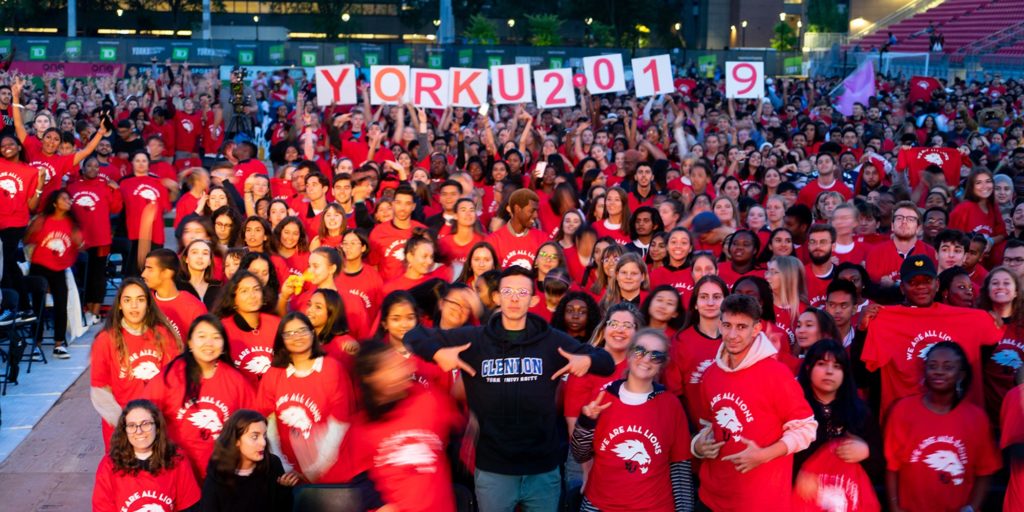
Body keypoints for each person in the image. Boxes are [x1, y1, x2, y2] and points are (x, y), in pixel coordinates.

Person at [405, 266, 615, 512]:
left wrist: (587, 360)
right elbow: (413, 336)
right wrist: (438, 352)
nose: (514, 298)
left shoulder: (552, 340)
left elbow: (607, 362)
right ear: (497, 297)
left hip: (543, 470)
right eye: (508, 291)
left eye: (522, 292)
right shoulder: (475, 338)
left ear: (533, 299)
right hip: (494, 469)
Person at [690, 294, 817, 510]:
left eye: (741, 327)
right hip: (711, 497)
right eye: (727, 325)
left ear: (756, 329)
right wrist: (698, 447)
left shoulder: (776, 374)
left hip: (760, 499)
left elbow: (806, 428)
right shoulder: (711, 374)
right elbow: (708, 426)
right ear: (720, 324)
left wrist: (763, 455)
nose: (732, 334)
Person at [571, 328, 693, 512]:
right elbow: (580, 455)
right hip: (601, 505)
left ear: (663, 363)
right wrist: (586, 423)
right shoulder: (603, 398)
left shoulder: (671, 405)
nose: (645, 359)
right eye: (639, 350)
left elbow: (680, 467)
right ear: (629, 354)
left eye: (656, 355)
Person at [348, 339, 463, 512]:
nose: (404, 369)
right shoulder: (361, 426)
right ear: (371, 378)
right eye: (392, 367)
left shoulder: (430, 400)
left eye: (400, 363)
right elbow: (361, 477)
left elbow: (460, 441)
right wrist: (380, 505)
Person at [884, 341, 1000, 512]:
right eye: (932, 366)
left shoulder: (977, 417)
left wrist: (972, 508)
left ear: (961, 374)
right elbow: (892, 466)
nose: (939, 371)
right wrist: (894, 506)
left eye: (948, 367)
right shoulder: (902, 410)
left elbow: (985, 470)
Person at [143, 315, 255, 479]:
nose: (209, 343)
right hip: (178, 471)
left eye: (216, 337)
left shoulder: (235, 380)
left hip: (223, 473)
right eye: (201, 336)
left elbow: (253, 423)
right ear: (189, 342)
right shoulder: (170, 376)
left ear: (224, 345)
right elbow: (144, 414)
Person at [255, 312, 353, 483]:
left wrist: (311, 473)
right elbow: (268, 426)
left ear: (313, 333)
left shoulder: (331, 369)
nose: (297, 337)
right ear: (281, 339)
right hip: (287, 476)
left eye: (302, 330)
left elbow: (339, 426)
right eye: (289, 333)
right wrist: (284, 469)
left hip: (331, 475)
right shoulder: (273, 374)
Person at [792, 339, 882, 511]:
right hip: (801, 500)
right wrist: (797, 474)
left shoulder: (860, 412)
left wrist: (866, 451)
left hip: (847, 500)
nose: (829, 371)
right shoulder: (793, 409)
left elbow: (880, 464)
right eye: (822, 364)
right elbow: (778, 453)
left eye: (837, 366)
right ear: (809, 368)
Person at [91, 278, 182, 446]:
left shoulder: (163, 336)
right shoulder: (106, 340)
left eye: (140, 300)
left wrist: (159, 422)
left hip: (159, 424)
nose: (134, 306)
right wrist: (127, 424)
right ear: (119, 305)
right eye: (127, 300)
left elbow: (176, 383)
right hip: (121, 425)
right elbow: (100, 391)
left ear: (148, 304)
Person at [92, 399, 200, 512]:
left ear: (157, 427)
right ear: (125, 430)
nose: (139, 431)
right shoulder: (109, 465)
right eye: (132, 425)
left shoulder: (177, 460)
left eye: (146, 424)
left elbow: (189, 508)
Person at [201, 409, 298, 511]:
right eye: (255, 436)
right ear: (236, 440)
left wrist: (283, 490)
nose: (263, 443)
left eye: (264, 436)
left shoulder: (272, 464)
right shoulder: (218, 473)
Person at [664, 275, 727, 428]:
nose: (710, 303)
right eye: (704, 297)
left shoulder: (736, 339)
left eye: (717, 297)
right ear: (695, 304)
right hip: (696, 431)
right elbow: (674, 396)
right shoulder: (680, 342)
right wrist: (692, 434)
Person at [25, 189, 81, 358]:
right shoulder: (43, 219)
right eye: (64, 198)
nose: (68, 201)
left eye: (69, 198)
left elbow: (76, 247)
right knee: (38, 307)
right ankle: (37, 344)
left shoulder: (71, 223)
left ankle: (59, 344)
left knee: (61, 305)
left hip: (59, 269)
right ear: (55, 203)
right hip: (40, 267)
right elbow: (27, 239)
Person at [68, 156, 124, 325]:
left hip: (101, 239)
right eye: (89, 165)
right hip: (78, 241)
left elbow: (116, 208)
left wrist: (116, 190)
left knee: (98, 275)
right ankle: (82, 308)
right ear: (83, 168)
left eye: (96, 166)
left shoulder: (105, 186)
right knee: (80, 274)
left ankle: (95, 310)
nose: (93, 168)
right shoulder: (72, 187)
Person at [215, 270, 281, 385]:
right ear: (233, 299)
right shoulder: (222, 329)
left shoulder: (276, 324)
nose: (252, 296)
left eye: (256, 289)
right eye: (244, 291)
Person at [121, 150, 174, 276]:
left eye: (144, 161)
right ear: (132, 163)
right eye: (137, 160)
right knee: (134, 272)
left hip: (155, 232)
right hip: (134, 234)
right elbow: (117, 207)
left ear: (148, 163)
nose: (141, 164)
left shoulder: (159, 183)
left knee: (154, 270)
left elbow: (166, 208)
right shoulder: (124, 183)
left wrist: (174, 190)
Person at [142, 248, 208, 342]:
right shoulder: (142, 302)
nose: (143, 274)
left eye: (149, 269)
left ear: (167, 273)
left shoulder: (194, 308)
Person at [369, 183, 427, 280]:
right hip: (389, 291)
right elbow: (373, 266)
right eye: (399, 203)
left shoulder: (423, 231)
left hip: (417, 290)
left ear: (413, 206)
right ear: (393, 204)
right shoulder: (377, 233)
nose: (402, 208)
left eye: (407, 204)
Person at [484, 188, 551, 269]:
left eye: (537, 211)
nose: (536, 215)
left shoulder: (543, 239)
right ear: (517, 209)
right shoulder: (493, 241)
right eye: (531, 211)